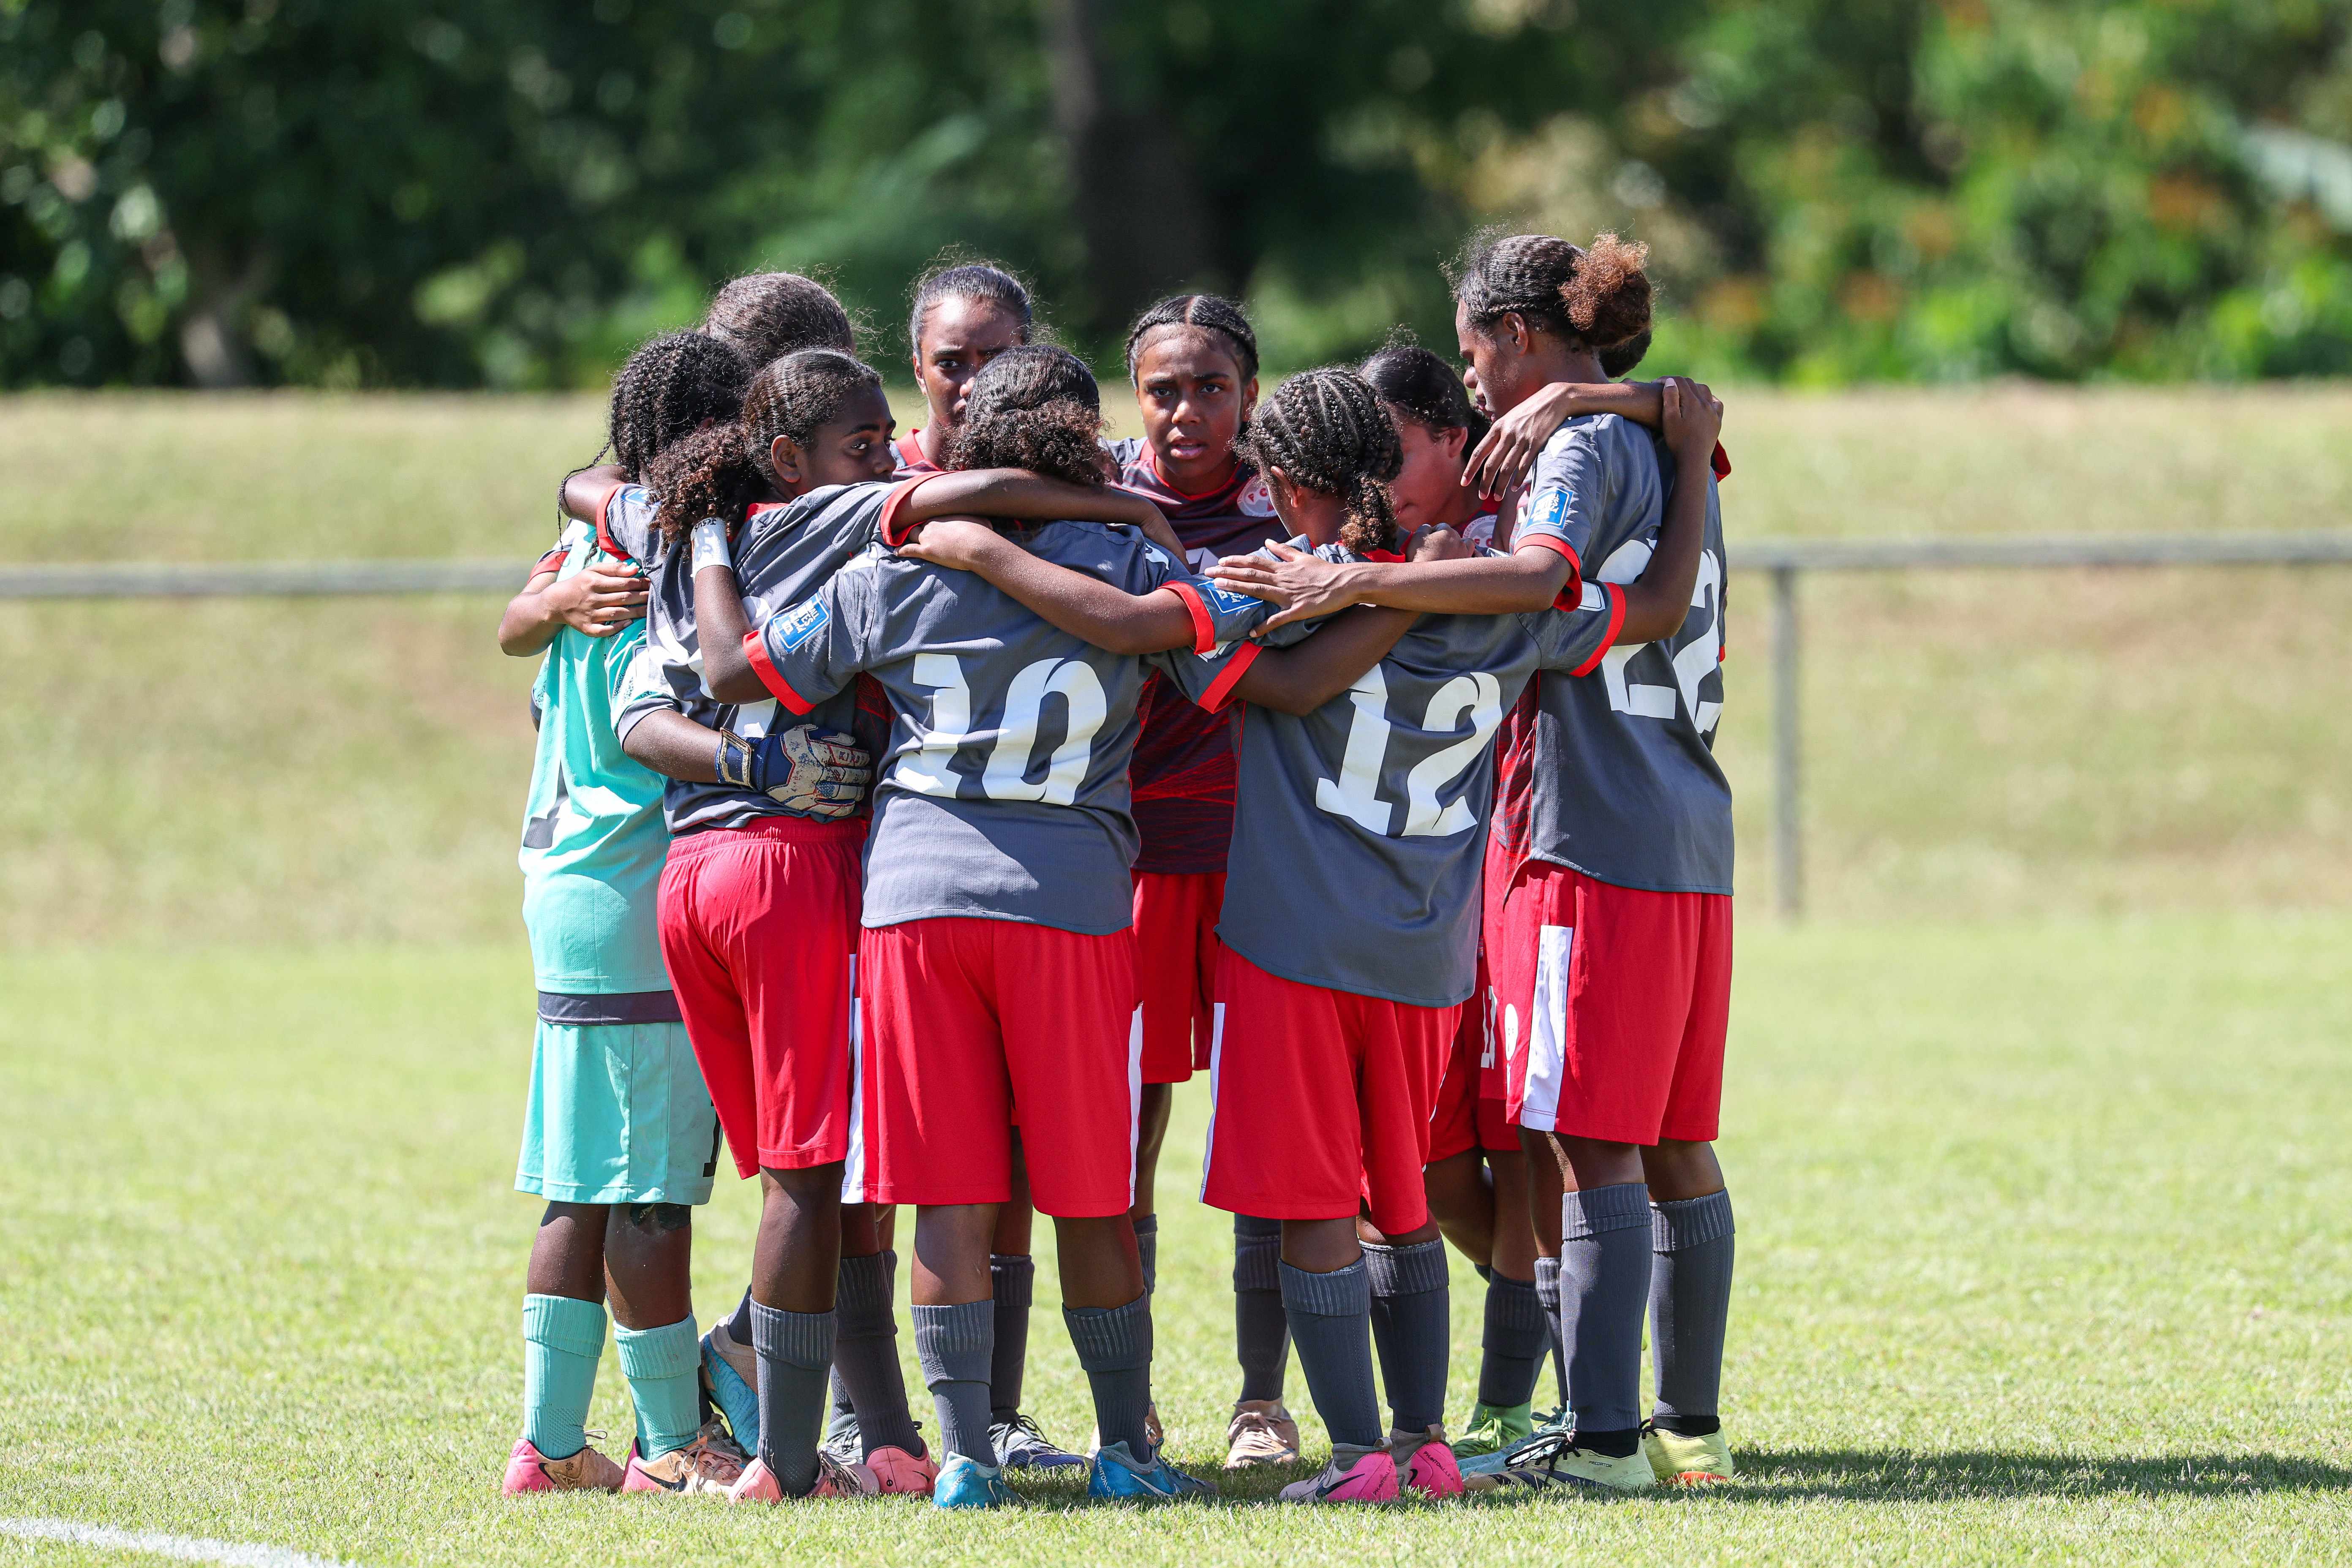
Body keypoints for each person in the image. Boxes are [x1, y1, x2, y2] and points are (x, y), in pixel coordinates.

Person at [690, 345, 1295, 1508]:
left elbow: (752, 668)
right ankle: (1126, 1447)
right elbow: (1218, 677)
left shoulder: (898, 559)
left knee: (948, 1193)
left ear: (968, 460)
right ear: (1081, 447)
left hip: (916, 903)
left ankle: (964, 1454)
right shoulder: (1132, 559)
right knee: (1093, 1194)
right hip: (1069, 904)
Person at [1217, 231, 1737, 1495]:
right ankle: (1677, 1426)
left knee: (1581, 1138)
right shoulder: (1658, 442)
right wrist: (1607, 399)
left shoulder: (1569, 450)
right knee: (1661, 1140)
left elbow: (1545, 572)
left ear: (1514, 335)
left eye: (1473, 356)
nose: (1476, 392)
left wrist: (1346, 583)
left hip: (1584, 834)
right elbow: (1660, 564)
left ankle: (1601, 1434)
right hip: (1684, 826)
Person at [495, 331, 747, 1500]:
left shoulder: (581, 546)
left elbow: (522, 643)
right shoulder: (673, 565)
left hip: (568, 885)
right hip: (633, 888)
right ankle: (671, 1445)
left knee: (585, 1181)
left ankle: (551, 1448)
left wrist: (545, 601)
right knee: (648, 1185)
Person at [1110, 293, 1302, 1470]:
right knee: (1122, 1134)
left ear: (1250, 392)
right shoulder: (1091, 496)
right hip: (1127, 859)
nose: (1188, 412)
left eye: (1213, 387)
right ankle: (1127, 1406)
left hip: (1257, 859)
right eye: (1165, 388)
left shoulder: (1286, 501)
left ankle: (1261, 1401)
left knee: (1265, 1132)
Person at [894, 260, 1033, 475]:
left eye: (997, 363)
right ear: (919, 372)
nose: (972, 385)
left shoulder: (1081, 470)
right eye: (949, 364)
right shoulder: (877, 478)